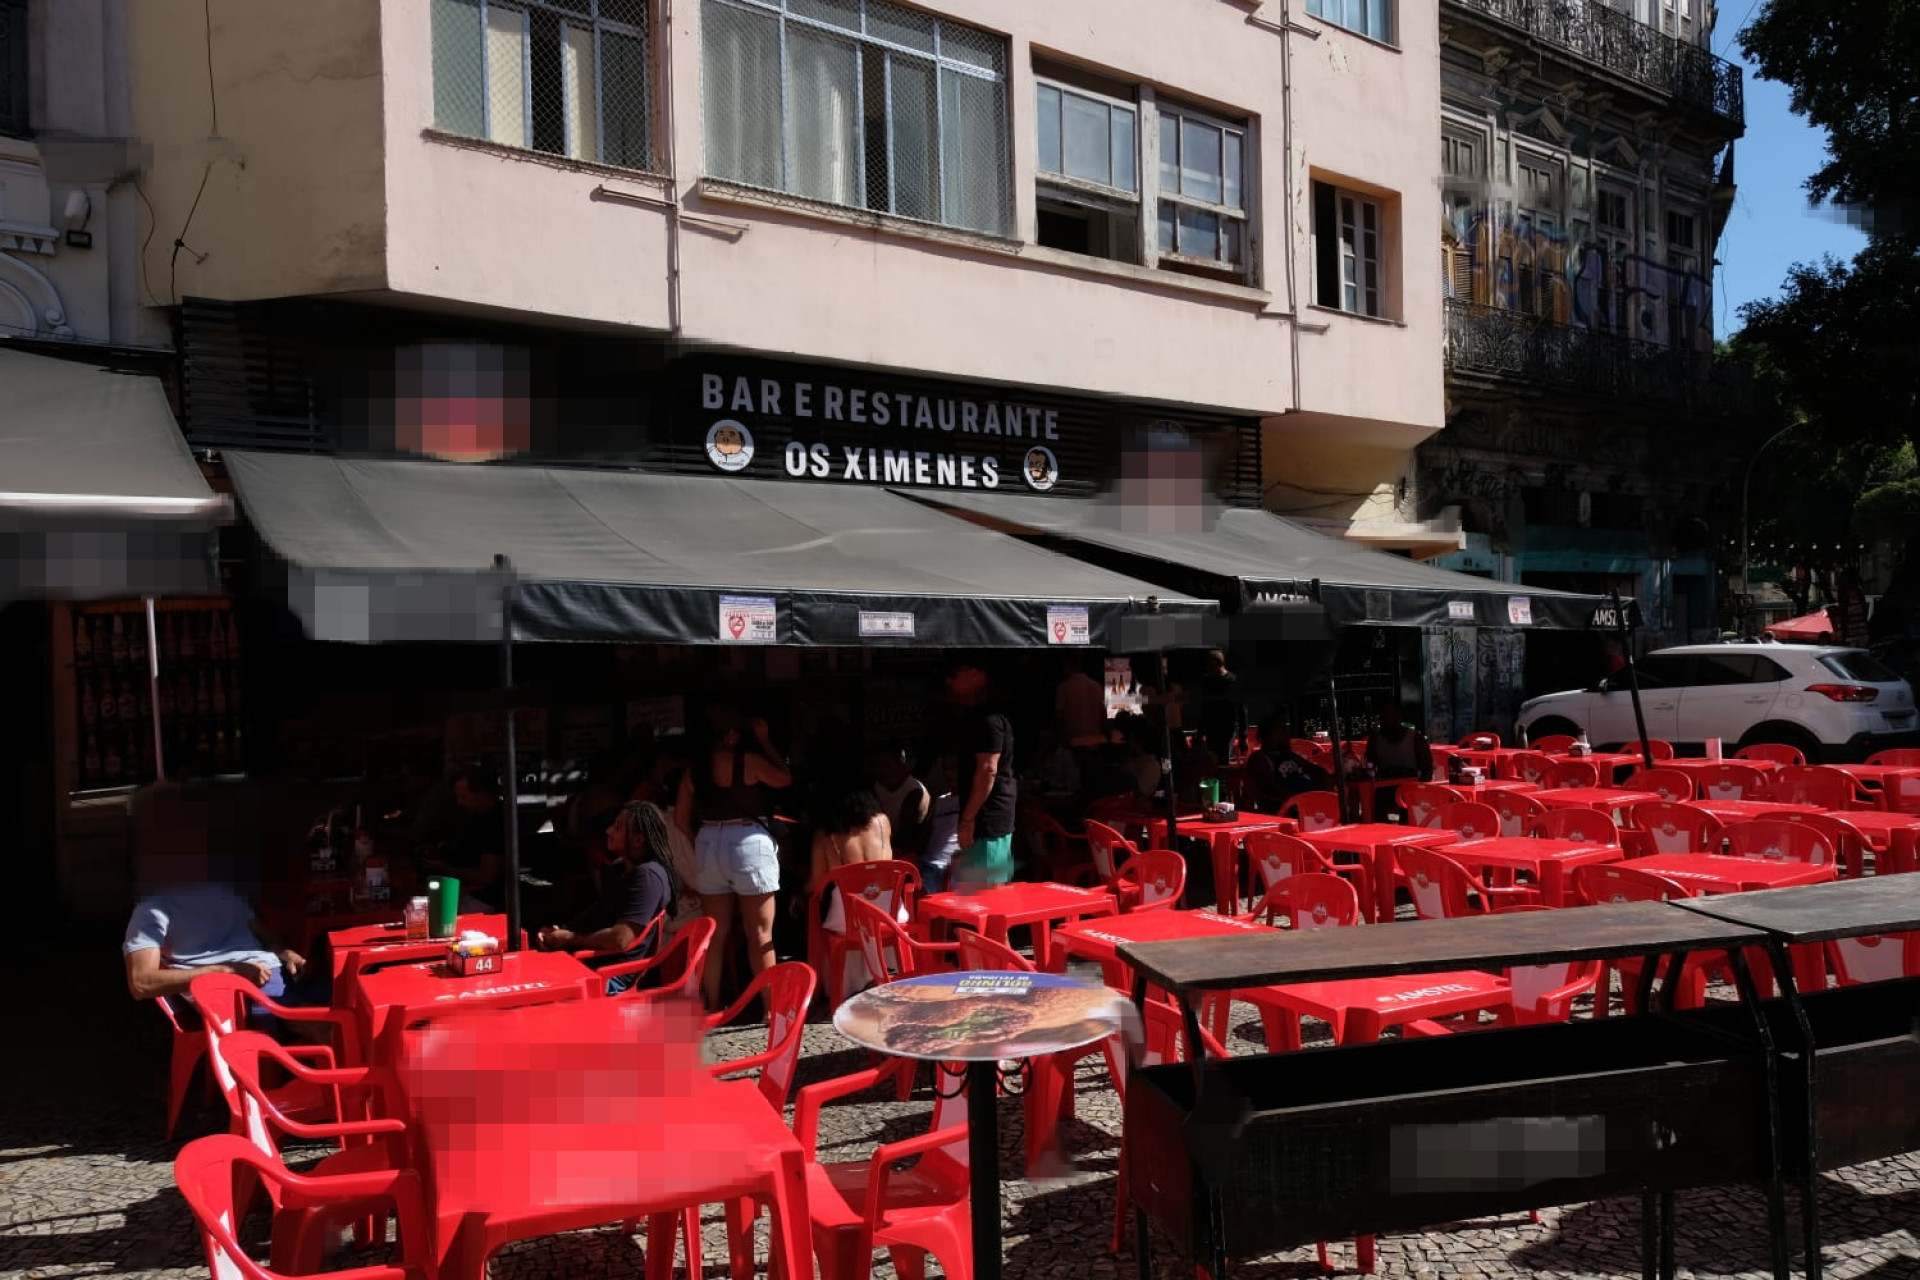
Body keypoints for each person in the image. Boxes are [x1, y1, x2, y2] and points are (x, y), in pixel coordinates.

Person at [676, 706, 792, 1010]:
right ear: (728, 736)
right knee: (760, 933)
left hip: (708, 842)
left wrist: (701, 841)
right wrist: (765, 741)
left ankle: (712, 1003)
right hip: (747, 843)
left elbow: (680, 819)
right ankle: (770, 1008)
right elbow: (784, 777)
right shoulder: (749, 761)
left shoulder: (694, 771)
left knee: (716, 933)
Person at [123, 875, 324, 1027]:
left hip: (281, 974)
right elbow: (141, 982)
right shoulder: (151, 911)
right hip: (240, 993)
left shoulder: (223, 894)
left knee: (346, 1002)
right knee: (324, 1025)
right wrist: (228, 971)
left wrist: (285, 953)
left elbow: (266, 938)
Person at [537, 800, 684, 994]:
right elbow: (597, 912)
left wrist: (569, 938)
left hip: (613, 978)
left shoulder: (648, 876)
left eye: (618, 827)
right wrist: (559, 932)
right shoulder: (619, 869)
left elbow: (620, 938)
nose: (609, 831)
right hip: (591, 964)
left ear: (638, 840)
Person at [946, 661, 1018, 888]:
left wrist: (968, 819)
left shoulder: (989, 719)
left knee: (986, 895)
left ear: (977, 675)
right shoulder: (979, 716)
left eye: (956, 673)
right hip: (985, 817)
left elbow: (988, 769)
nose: (950, 681)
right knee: (978, 892)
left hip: (987, 818)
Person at [804, 787, 910, 933]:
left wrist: (799, 892)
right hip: (889, 913)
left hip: (847, 919)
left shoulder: (824, 835)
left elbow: (817, 884)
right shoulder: (882, 822)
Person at [417, 764, 507, 909]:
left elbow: (487, 875)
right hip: (465, 892)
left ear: (483, 794)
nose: (459, 802)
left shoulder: (495, 823)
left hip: (483, 900)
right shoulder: (476, 817)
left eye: (464, 797)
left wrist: (447, 868)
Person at [1245, 713, 1334, 813]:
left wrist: (1326, 776)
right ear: (1268, 734)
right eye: (1281, 730)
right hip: (1290, 807)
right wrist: (1300, 800)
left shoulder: (1287, 754)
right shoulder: (1259, 759)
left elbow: (1310, 767)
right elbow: (1271, 789)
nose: (1286, 734)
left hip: (1314, 799)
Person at [866, 745, 931, 864]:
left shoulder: (914, 792)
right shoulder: (876, 786)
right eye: (878, 766)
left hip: (904, 853)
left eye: (887, 765)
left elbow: (908, 836)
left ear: (900, 763)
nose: (882, 771)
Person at [1366, 699, 1434, 784]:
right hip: (1383, 788)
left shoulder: (1415, 738)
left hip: (1410, 789)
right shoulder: (1375, 739)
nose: (1384, 719)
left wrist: (1418, 788)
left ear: (1398, 716)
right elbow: (1369, 767)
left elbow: (1427, 771)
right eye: (1382, 716)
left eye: (1388, 715)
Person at [1195, 650, 1247, 760]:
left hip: (1227, 728)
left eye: (1209, 665)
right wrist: (1200, 733)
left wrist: (1243, 735)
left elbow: (1241, 709)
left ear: (1217, 663)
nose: (1207, 668)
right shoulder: (1207, 681)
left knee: (1223, 759)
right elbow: (1204, 708)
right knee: (1212, 760)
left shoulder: (1232, 681)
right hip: (1211, 729)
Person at [1054, 659, 1108, 752]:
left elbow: (1059, 715)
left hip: (1073, 741)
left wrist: (1058, 739)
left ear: (1067, 667)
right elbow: (1103, 715)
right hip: (1093, 741)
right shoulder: (1096, 686)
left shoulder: (1064, 687)